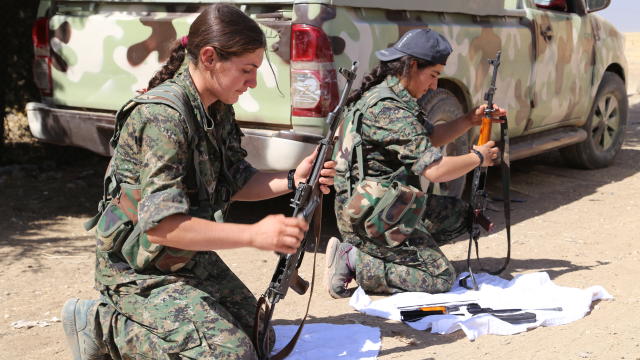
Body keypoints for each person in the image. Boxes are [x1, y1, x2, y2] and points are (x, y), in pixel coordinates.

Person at [61, 4, 336, 359]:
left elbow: (236, 179)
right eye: (246, 70)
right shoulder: (163, 118)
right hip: (138, 269)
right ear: (209, 57)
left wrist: (293, 179)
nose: (252, 82)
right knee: (230, 354)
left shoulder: (216, 107)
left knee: (259, 337)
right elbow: (161, 228)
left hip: (182, 258)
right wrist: (253, 235)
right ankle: (102, 325)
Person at [326, 28, 506, 299]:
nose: (434, 86)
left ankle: (400, 253)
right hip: (369, 218)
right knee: (440, 278)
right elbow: (435, 171)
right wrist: (479, 157)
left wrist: (470, 119)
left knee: (463, 216)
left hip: (384, 204)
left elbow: (430, 138)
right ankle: (355, 260)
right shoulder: (389, 110)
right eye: (432, 75)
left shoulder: (391, 96)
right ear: (411, 66)